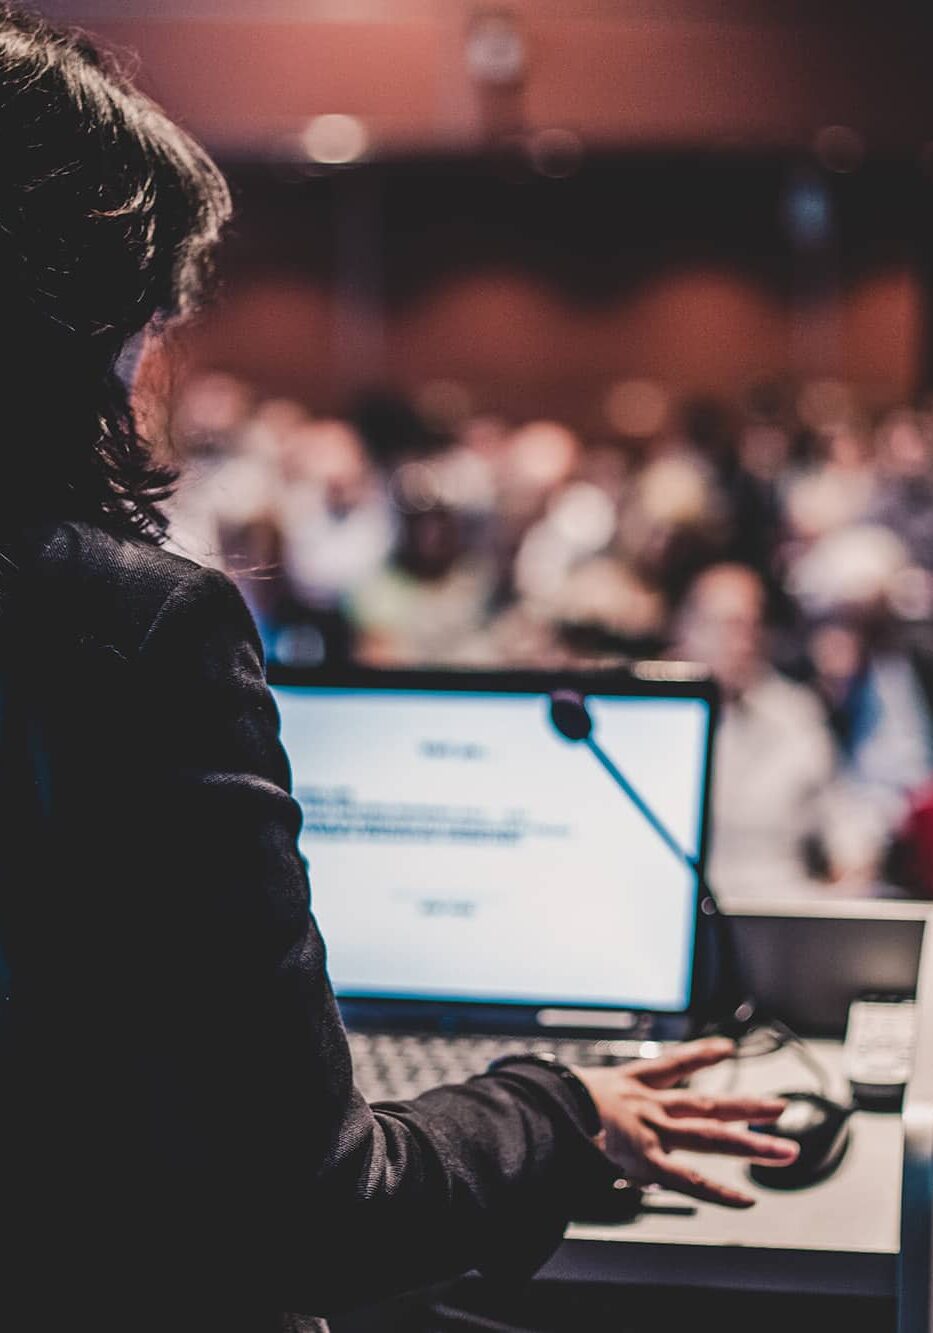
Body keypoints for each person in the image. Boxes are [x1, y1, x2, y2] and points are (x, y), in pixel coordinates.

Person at [0, 11, 796, 1332]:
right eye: (151, 321)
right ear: (79, 326)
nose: (153, 370)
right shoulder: (133, 632)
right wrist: (561, 1104)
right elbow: (314, 1211)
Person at [674, 564, 871, 899]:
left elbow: (844, 819)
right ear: (686, 629)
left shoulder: (796, 714)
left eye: (754, 626)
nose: (744, 642)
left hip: (784, 902)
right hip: (687, 900)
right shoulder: (654, 718)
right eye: (730, 626)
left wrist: (855, 865)